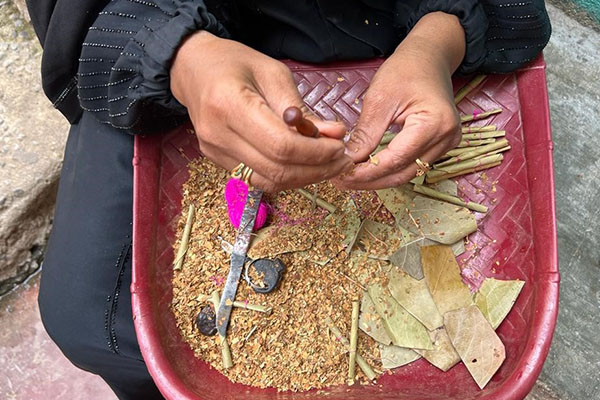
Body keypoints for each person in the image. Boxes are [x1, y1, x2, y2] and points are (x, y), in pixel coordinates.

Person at [26, 1, 551, 398]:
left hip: (397, 38)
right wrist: (180, 55)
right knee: (90, 313)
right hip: (163, 46)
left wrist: (440, 36)